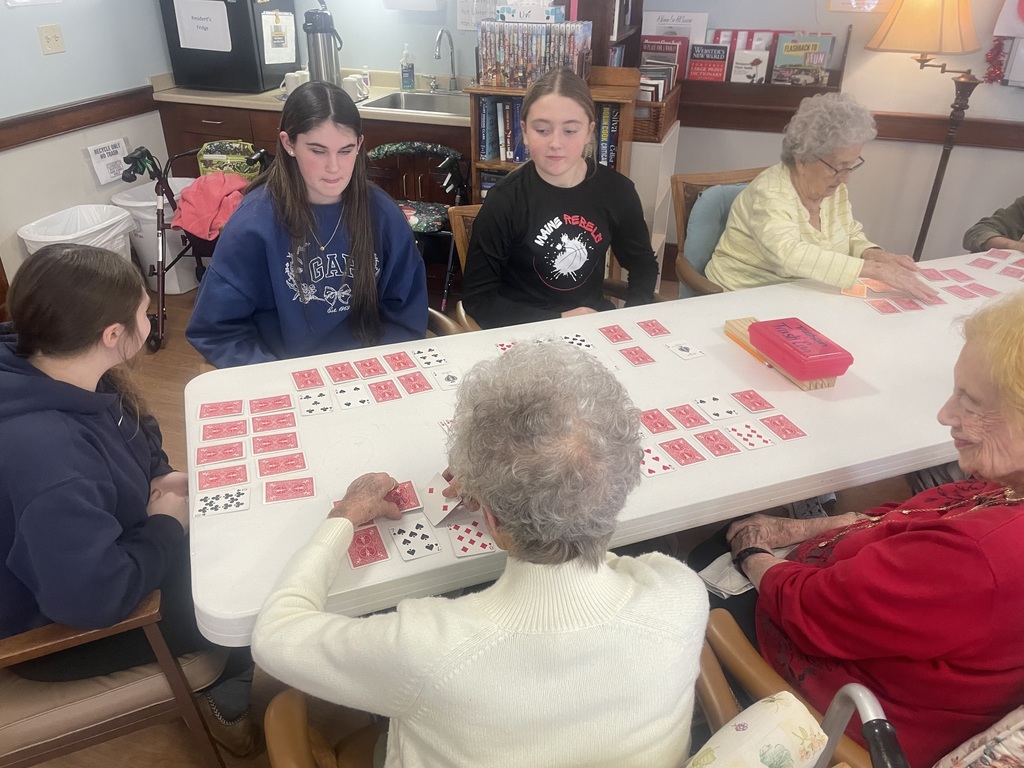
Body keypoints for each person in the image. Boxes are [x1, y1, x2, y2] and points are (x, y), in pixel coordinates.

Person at [252, 342, 709, 766]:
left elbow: (274, 635)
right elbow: (602, 562)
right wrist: (537, 495)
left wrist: (343, 519)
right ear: (625, 483)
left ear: (488, 518)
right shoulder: (681, 594)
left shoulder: (427, 647)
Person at [724, 290, 1024, 767]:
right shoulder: (1010, 485)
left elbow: (812, 611)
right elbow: (919, 514)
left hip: (840, 697)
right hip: (856, 620)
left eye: (972, 402)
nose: (946, 415)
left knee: (686, 581)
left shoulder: (981, 558)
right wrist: (817, 525)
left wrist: (751, 555)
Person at [0, 244, 260, 757]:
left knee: (241, 528)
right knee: (245, 592)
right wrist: (165, 525)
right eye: (146, 312)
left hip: (102, 552)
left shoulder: (66, 367)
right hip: (56, 627)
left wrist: (161, 481)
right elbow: (93, 599)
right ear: (113, 335)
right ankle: (229, 689)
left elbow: (136, 436)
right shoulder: (47, 458)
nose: (154, 319)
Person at [186, 81, 428, 368]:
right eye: (318, 151)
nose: (334, 167)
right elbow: (216, 330)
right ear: (289, 144)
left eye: (346, 150)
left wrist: (370, 371)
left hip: (366, 371)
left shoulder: (383, 213)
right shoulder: (253, 224)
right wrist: (276, 379)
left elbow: (406, 317)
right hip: (282, 373)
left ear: (360, 145)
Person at [461, 69, 659, 329]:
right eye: (542, 130)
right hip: (524, 330)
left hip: (590, 326)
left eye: (570, 131)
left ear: (589, 132)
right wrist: (558, 320)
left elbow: (643, 265)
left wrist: (631, 317)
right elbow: (478, 300)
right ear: (525, 131)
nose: (555, 143)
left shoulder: (616, 191)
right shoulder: (505, 199)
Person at [705, 93, 937, 302]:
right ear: (803, 161)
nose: (845, 179)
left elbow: (850, 234)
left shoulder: (831, 187)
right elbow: (787, 255)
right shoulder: (770, 193)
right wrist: (872, 270)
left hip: (803, 294)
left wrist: (875, 254)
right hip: (744, 297)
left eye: (851, 166)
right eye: (839, 167)